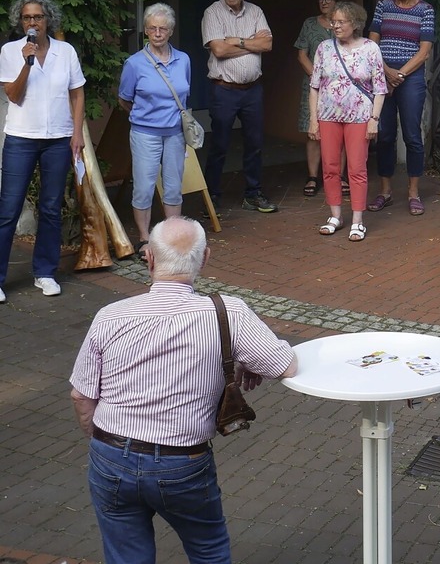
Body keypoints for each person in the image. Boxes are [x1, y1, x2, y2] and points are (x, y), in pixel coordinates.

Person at [69, 216, 297, 564]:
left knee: (126, 556)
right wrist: (244, 355)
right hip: (182, 462)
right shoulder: (228, 313)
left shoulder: (109, 316)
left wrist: (103, 443)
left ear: (149, 257)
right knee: (208, 550)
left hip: (110, 453)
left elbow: (81, 396)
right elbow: (285, 366)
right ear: (204, 258)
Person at [0, 0, 85, 303]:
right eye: (27, 17)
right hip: (21, 138)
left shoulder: (66, 51)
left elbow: (77, 94)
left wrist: (77, 133)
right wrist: (27, 63)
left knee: (50, 208)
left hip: (58, 139)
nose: (32, 22)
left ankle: (45, 272)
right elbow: (13, 95)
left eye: (38, 17)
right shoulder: (11, 51)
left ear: (48, 20)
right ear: (20, 22)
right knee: (8, 209)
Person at [201, 0, 277, 213]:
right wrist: (251, 44)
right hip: (224, 89)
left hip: (252, 90)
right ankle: (212, 197)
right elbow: (219, 50)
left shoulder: (255, 12)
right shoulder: (212, 13)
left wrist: (237, 41)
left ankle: (253, 194)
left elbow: (267, 44)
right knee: (219, 145)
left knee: (255, 143)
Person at [118, 3, 191, 261]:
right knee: (144, 187)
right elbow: (124, 99)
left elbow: (184, 94)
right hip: (145, 134)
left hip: (175, 133)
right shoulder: (134, 63)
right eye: (152, 28)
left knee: (173, 186)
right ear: (145, 31)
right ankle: (144, 239)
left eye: (163, 28)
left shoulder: (184, 60)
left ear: (171, 31)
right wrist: (146, 116)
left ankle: (171, 237)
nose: (157, 33)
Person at [309, 2, 386, 242]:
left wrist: (374, 119)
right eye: (334, 21)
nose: (336, 26)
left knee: (357, 168)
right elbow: (314, 86)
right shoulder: (324, 48)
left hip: (359, 117)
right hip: (328, 115)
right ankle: (335, 216)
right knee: (330, 167)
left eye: (341, 22)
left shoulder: (370, 48)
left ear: (355, 23)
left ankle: (357, 221)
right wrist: (313, 119)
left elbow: (380, 88)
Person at [367, 0, 435, 216]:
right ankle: (385, 191)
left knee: (412, 135)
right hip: (382, 73)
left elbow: (424, 51)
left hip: (411, 77)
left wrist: (400, 74)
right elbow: (372, 43)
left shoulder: (425, 10)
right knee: (384, 135)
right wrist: (386, 71)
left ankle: (413, 192)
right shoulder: (383, 6)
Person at [294, 0, 348, 197]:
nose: (324, 2)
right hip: (313, 86)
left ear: (337, 1)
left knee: (341, 131)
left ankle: (340, 176)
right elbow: (302, 55)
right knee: (313, 132)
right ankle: (312, 176)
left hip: (340, 87)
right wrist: (318, 79)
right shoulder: (309, 24)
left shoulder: (345, 24)